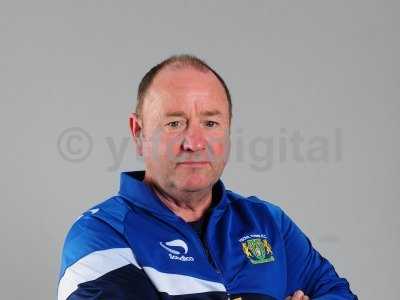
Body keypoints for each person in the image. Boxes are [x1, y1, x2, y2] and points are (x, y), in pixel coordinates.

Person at [58, 55, 357, 300]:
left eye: (211, 122)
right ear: (139, 133)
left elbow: (337, 294)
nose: (195, 142)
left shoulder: (267, 223)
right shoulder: (100, 235)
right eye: (175, 123)